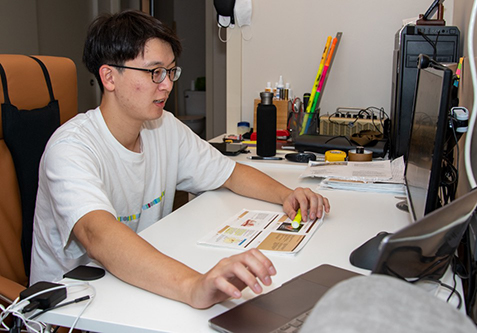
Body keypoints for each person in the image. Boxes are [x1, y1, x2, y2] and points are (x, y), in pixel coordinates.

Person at [30, 9, 330, 309]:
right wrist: (193, 286)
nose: (167, 85)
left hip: (140, 287)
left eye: (171, 71)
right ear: (109, 76)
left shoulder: (164, 127)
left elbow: (231, 173)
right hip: (73, 311)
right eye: (154, 72)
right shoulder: (70, 148)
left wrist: (288, 195)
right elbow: (99, 237)